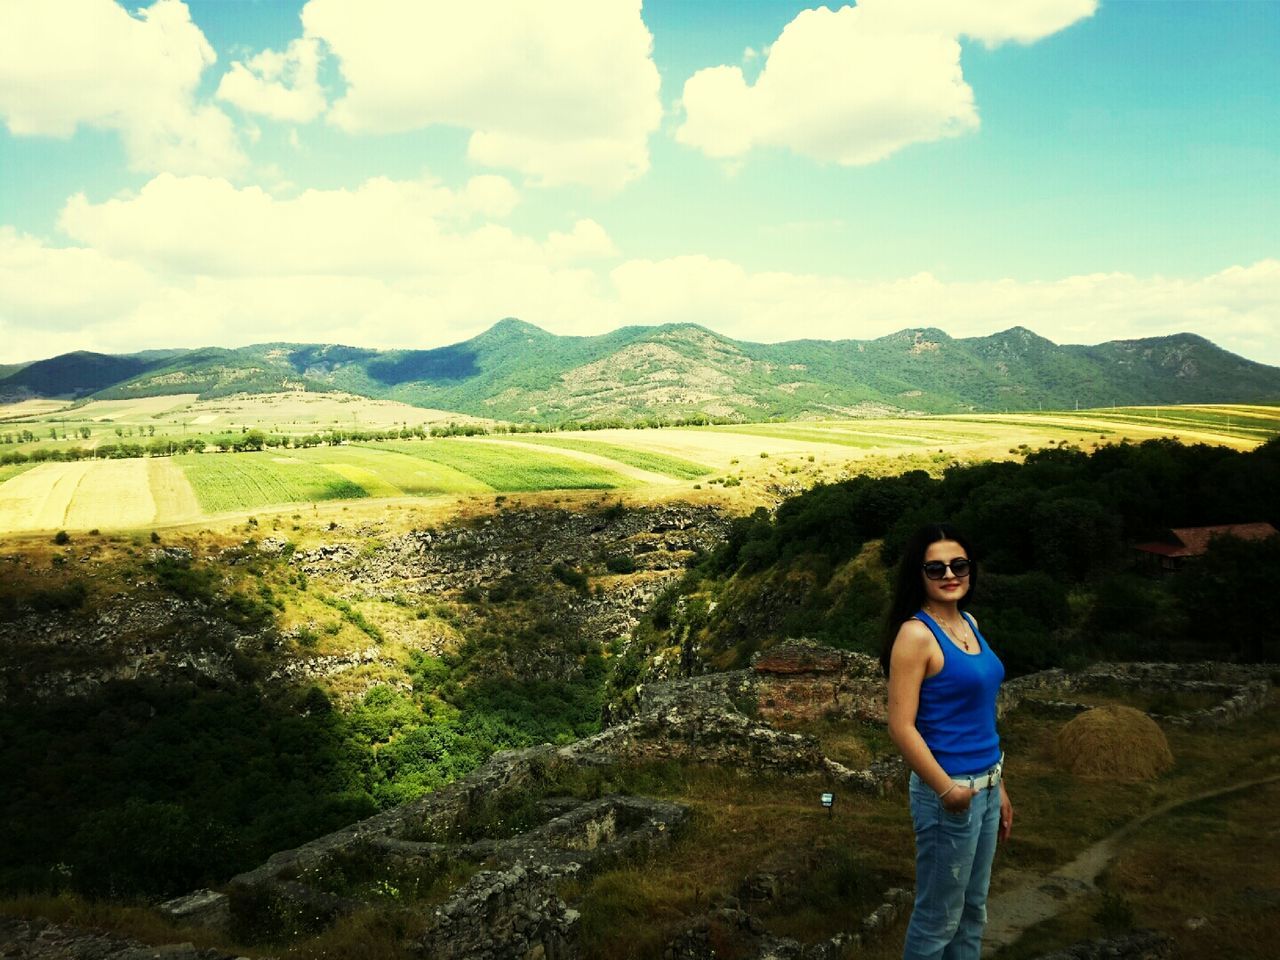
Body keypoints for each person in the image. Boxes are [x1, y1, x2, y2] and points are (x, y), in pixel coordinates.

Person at [881, 523, 1012, 960]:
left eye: (959, 565)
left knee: (973, 912)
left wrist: (999, 786)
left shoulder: (969, 622)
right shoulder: (916, 635)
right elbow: (901, 725)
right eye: (935, 568)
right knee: (939, 919)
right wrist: (948, 790)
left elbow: (978, 715)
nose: (949, 575)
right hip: (949, 791)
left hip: (986, 786)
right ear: (919, 574)